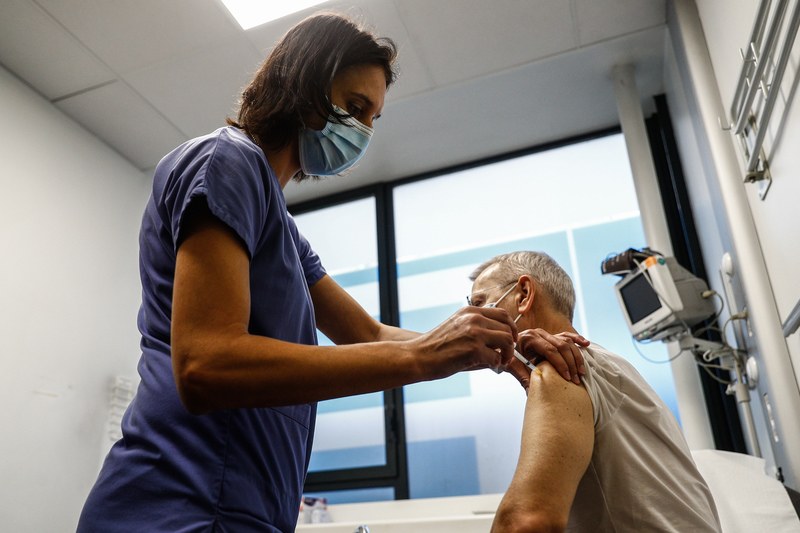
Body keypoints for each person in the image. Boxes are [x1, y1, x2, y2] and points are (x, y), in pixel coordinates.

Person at [77, 14, 588, 533]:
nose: (363, 132)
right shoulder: (224, 161)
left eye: (373, 119)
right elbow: (205, 365)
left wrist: (497, 349)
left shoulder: (283, 230)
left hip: (242, 514)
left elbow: (368, 334)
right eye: (355, 107)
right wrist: (424, 356)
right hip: (174, 507)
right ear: (303, 84)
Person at [466, 251, 721, 533]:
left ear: (524, 295)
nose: (471, 320)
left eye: (479, 303)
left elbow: (525, 523)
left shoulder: (562, 371)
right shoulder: (610, 364)